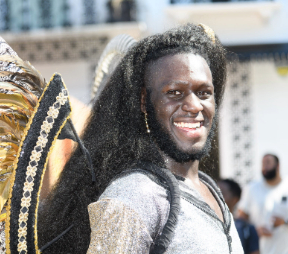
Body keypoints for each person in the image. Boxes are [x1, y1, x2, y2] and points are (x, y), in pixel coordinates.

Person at [38, 24, 243, 253]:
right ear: (144, 101)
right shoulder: (134, 196)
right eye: (174, 92)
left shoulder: (210, 188)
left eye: (204, 93)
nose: (195, 106)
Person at [238, 154, 288, 254]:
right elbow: (241, 218)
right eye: (263, 163)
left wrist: (284, 222)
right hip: (260, 250)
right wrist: (255, 231)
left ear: (278, 166)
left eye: (268, 162)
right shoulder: (252, 188)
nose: (264, 167)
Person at [218, 179, 259, 254]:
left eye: (221, 193)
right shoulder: (203, 224)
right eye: (213, 191)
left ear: (235, 200)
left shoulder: (247, 229)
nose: (216, 196)